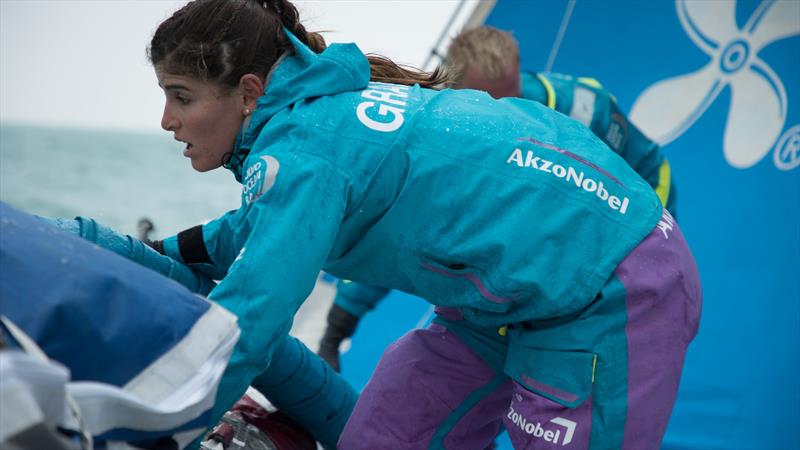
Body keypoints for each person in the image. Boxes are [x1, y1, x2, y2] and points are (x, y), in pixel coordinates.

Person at [53, 1, 701, 447]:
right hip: (499, 300)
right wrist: (149, 253)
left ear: (248, 92)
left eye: (182, 97)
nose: (167, 120)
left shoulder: (306, 151)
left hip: (607, 285)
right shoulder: (306, 124)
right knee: (382, 436)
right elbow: (258, 231)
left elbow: (244, 326)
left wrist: (153, 433)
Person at [317, 25, 679, 374]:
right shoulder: (446, 131)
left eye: (513, 97)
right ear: (457, 90)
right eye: (491, 103)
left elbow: (651, 173)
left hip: (623, 232)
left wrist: (642, 254)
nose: (507, 114)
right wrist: (335, 332)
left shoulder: (584, 108)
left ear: (519, 70)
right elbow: (406, 231)